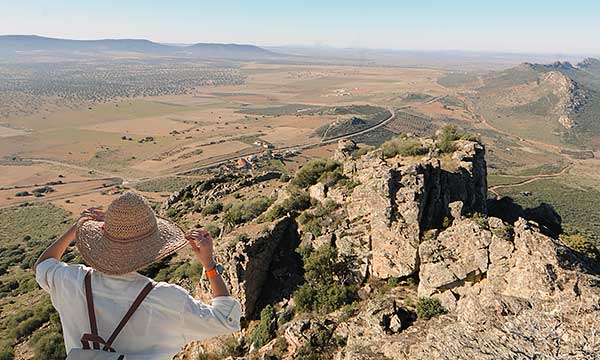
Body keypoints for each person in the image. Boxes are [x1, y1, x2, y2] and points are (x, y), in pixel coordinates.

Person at [34, 192, 241, 359]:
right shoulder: (166, 299)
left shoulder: (71, 280)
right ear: (153, 248)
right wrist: (209, 265)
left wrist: (76, 228)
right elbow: (225, 320)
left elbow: (43, 264)